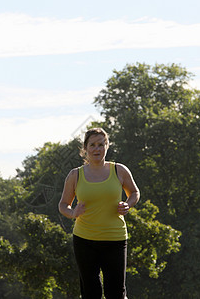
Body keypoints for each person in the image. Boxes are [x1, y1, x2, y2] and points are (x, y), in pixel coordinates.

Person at [58, 127, 140, 299]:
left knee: (116, 293)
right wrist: (73, 213)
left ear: (107, 146)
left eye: (101, 145)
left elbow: (134, 192)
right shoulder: (75, 175)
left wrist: (127, 204)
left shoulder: (119, 170)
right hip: (84, 240)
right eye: (92, 145)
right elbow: (63, 205)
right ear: (85, 148)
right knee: (90, 292)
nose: (97, 149)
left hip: (115, 239)